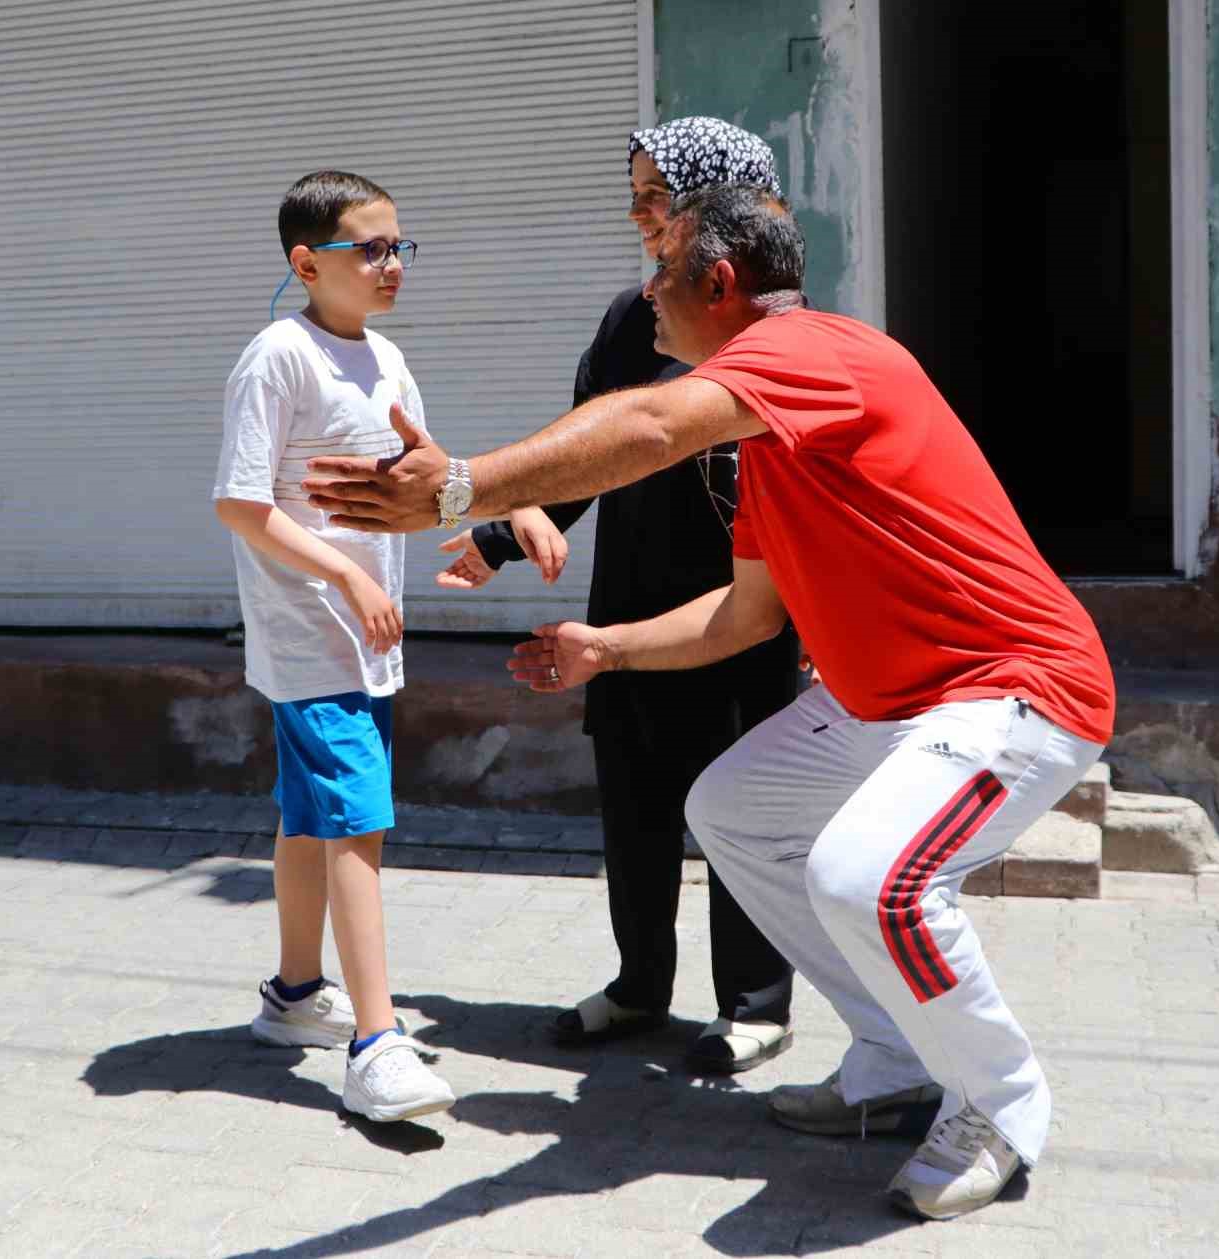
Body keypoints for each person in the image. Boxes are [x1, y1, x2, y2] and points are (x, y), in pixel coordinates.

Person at [299, 184, 1117, 1220]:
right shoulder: (777, 444)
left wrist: (462, 486)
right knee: (734, 806)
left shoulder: (815, 352)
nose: (644, 290)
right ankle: (896, 1052)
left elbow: (645, 421)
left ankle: (998, 1103)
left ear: (720, 283)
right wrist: (605, 648)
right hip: (894, 702)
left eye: (662, 266)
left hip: (1018, 689)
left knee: (870, 876)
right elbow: (743, 618)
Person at [435, 118, 801, 1073]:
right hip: (630, 604)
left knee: (740, 814)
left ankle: (755, 1001)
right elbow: (585, 453)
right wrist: (497, 535)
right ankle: (641, 984)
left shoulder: (776, 332)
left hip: (743, 613)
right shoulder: (627, 319)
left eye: (656, 195)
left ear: (717, 207)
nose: (640, 215)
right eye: (635, 196)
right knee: (635, 807)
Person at [211, 169, 454, 1123]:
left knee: (312, 816)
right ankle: (375, 1044)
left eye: (400, 246)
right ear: (308, 263)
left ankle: (295, 994)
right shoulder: (279, 356)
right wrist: (347, 575)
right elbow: (240, 502)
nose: (391, 264)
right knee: (358, 820)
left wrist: (503, 521)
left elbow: (429, 475)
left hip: (368, 639)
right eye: (371, 249)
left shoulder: (386, 360)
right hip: (311, 637)